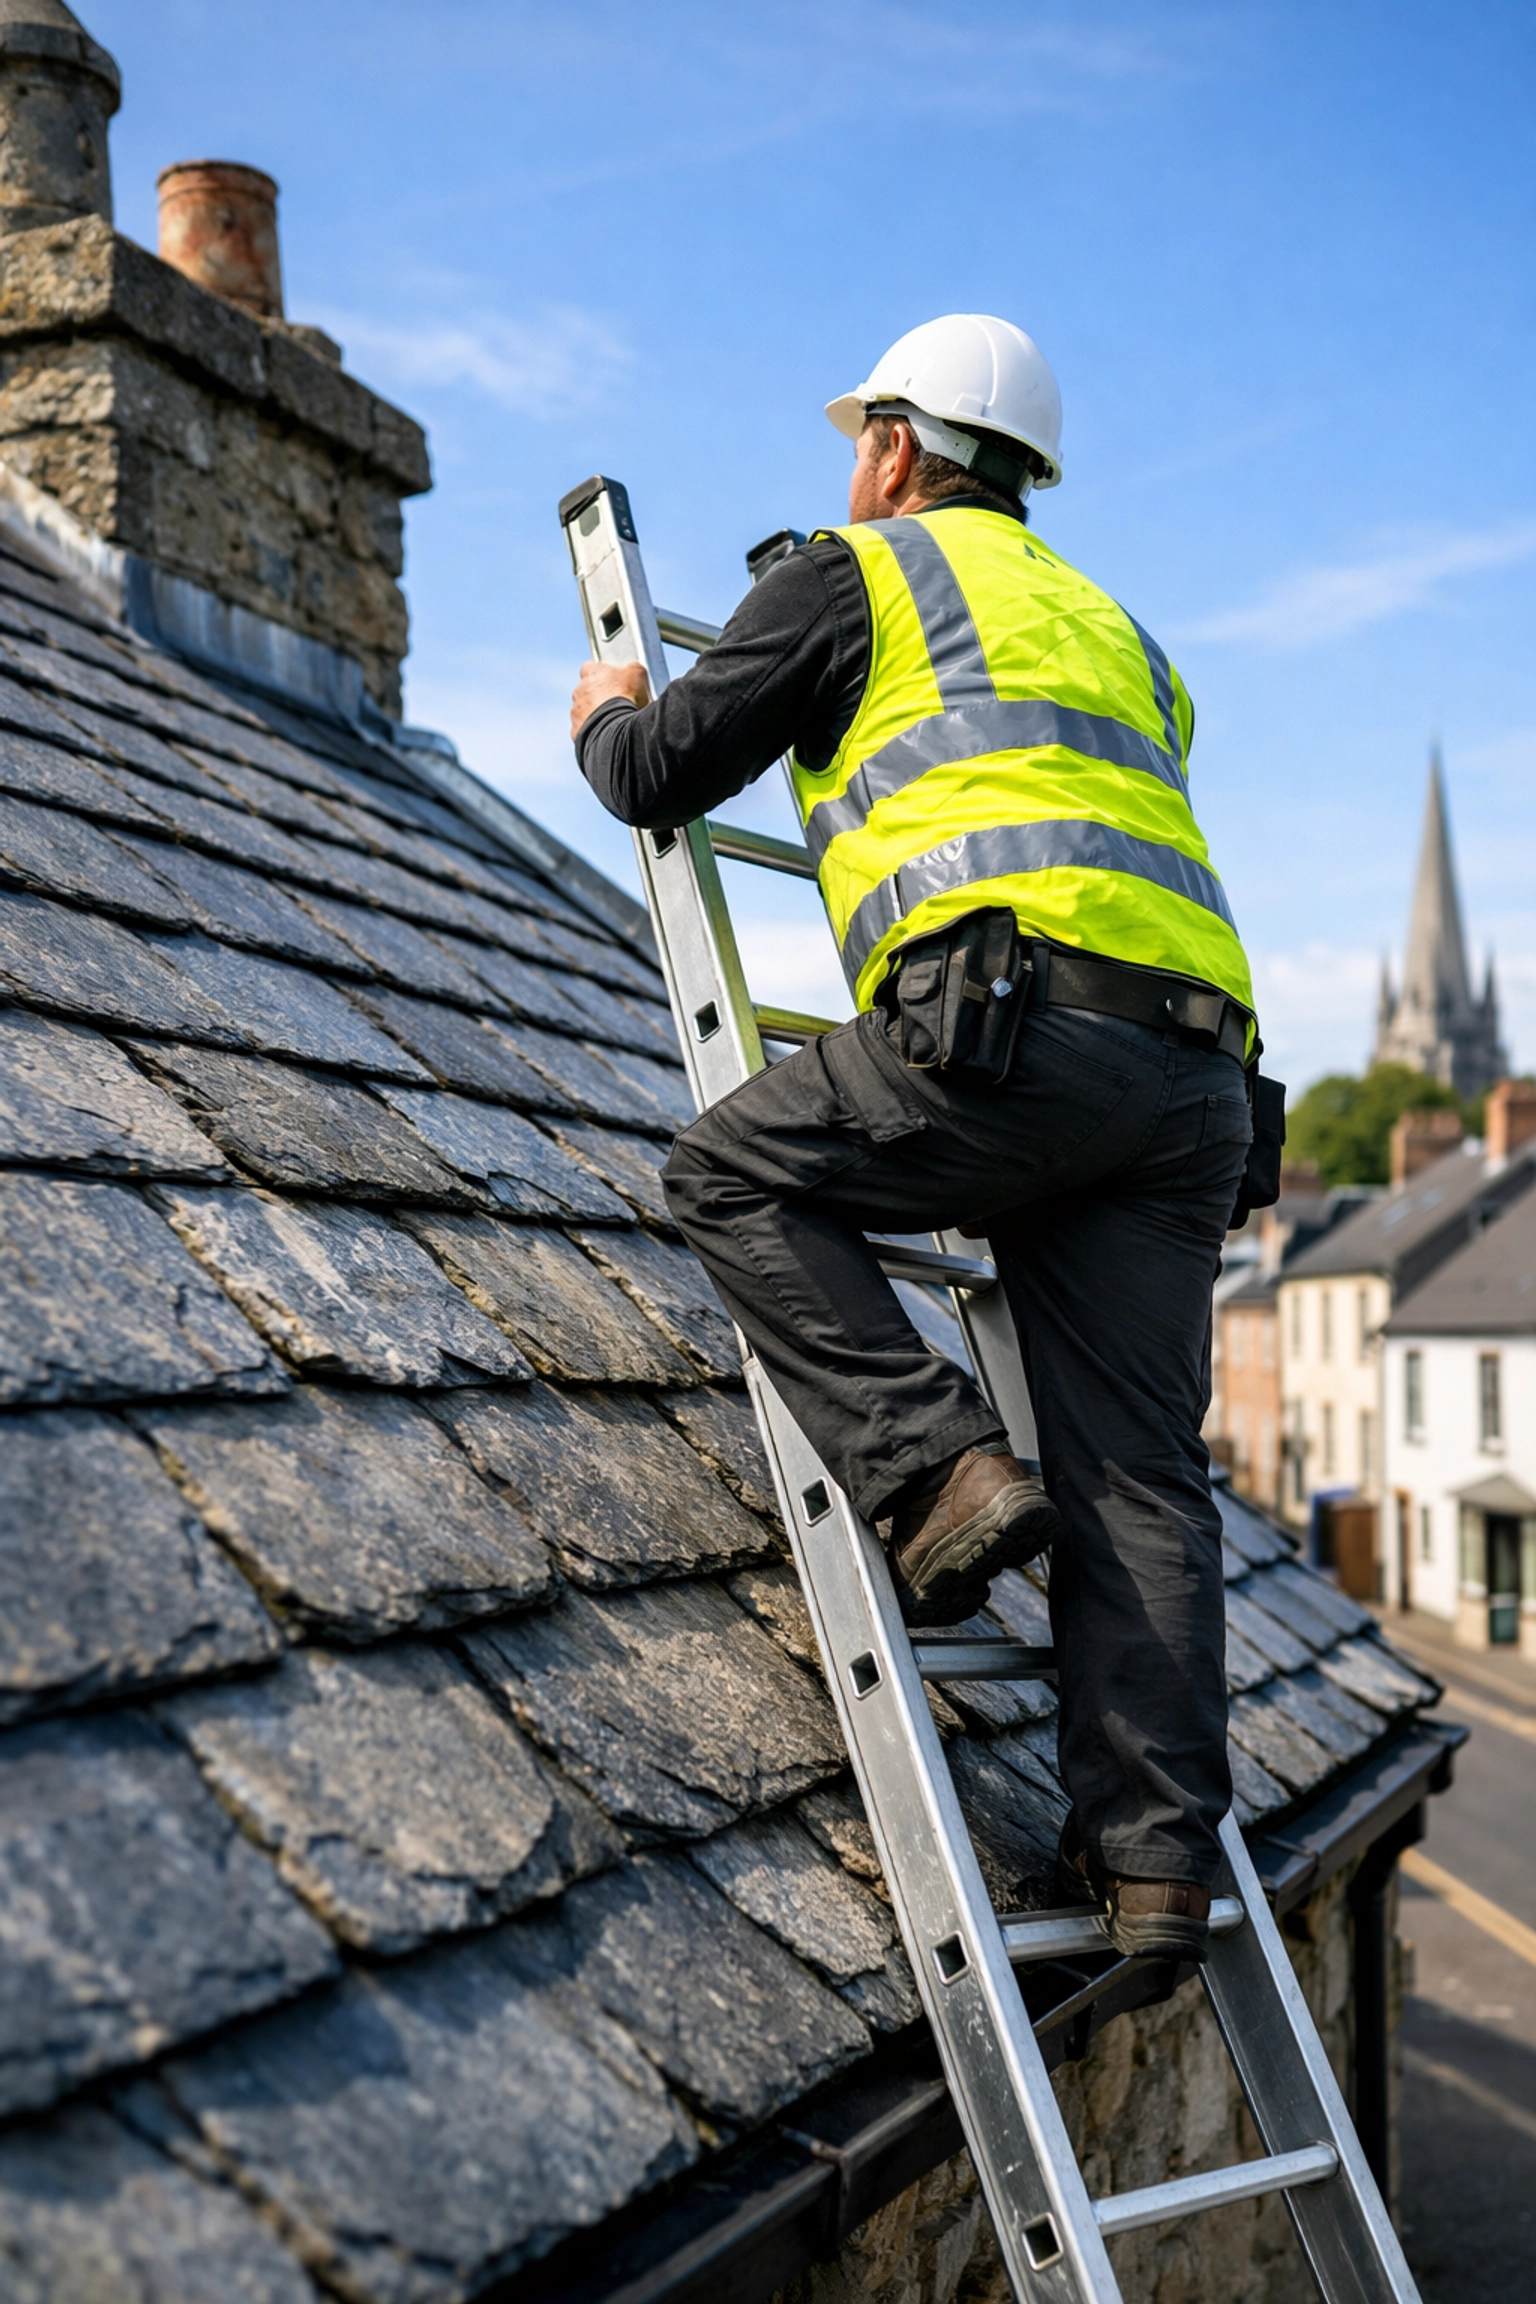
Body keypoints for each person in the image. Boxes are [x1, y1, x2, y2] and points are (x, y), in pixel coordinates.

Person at [568, 315, 1255, 1959]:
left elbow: (664, 770)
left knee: (728, 1174)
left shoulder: (851, 575)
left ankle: (938, 1469)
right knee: (1143, 1479)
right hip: (1196, 1088)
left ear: (892, 446)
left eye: (855, 448)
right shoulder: (1122, 632)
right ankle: (1156, 1874)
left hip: (1014, 1036)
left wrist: (606, 702)